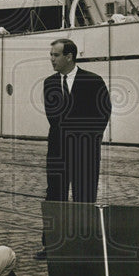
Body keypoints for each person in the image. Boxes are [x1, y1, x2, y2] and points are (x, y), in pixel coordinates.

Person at [42, 38, 111, 204]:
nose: (52, 59)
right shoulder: (49, 83)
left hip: (85, 151)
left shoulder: (93, 81)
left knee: (84, 198)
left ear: (69, 57)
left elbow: (103, 112)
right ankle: (57, 231)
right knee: (55, 198)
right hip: (57, 151)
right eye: (51, 55)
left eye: (56, 55)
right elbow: (52, 116)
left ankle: (83, 230)